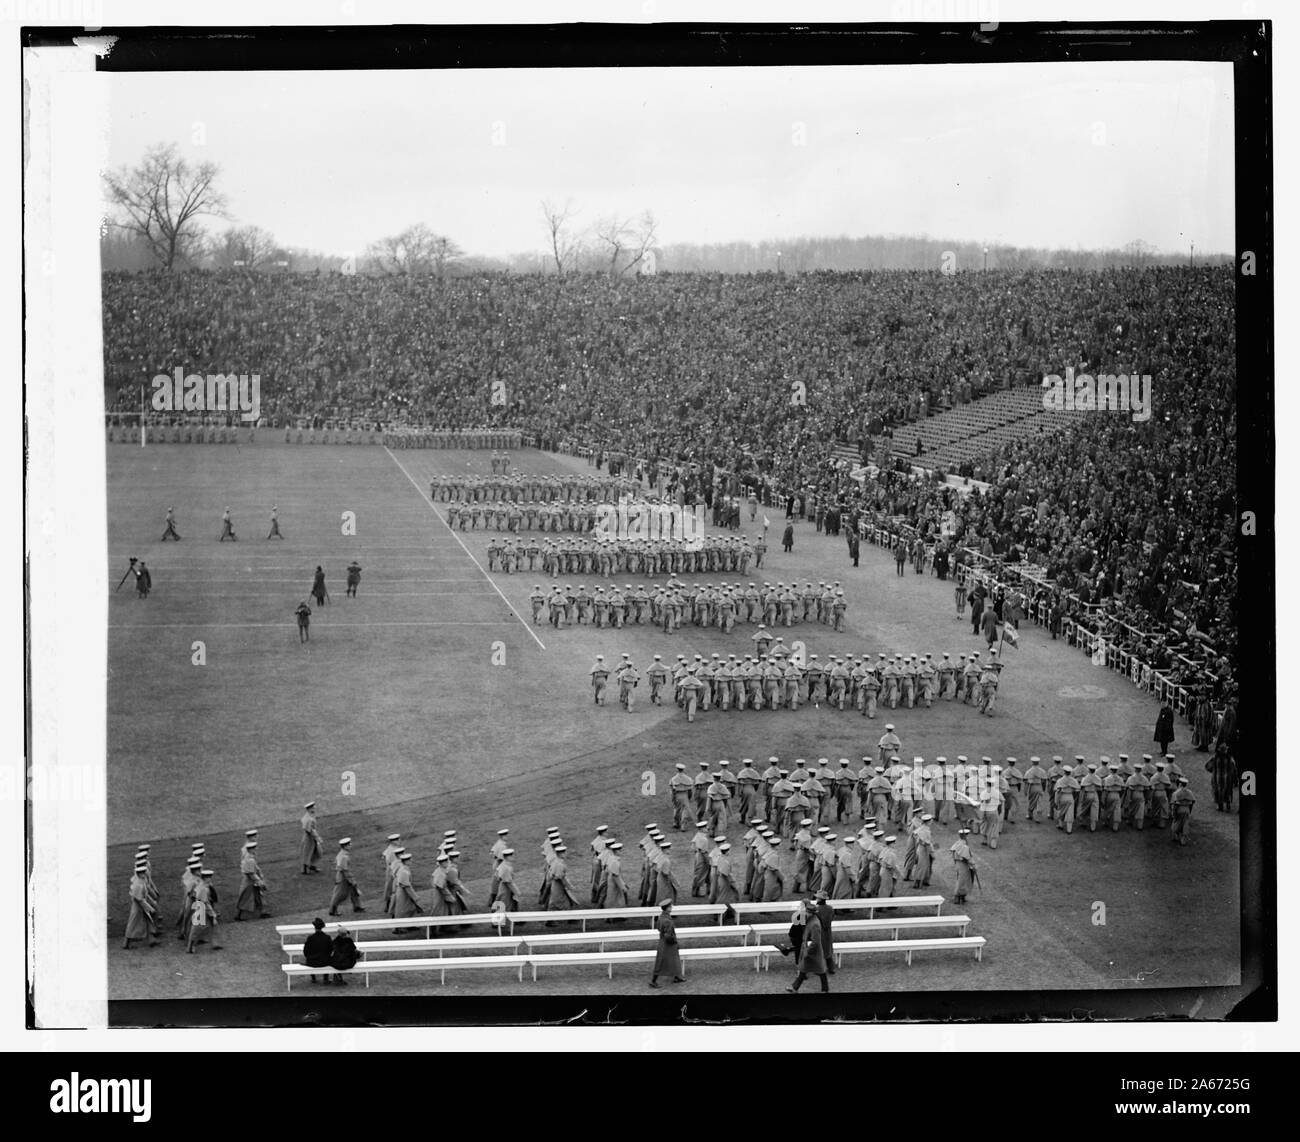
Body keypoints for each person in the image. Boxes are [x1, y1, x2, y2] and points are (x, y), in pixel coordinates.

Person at [787, 908, 830, 992]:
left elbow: (816, 941)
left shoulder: (814, 924)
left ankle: (825, 989)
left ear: (811, 913)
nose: (805, 913)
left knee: (820, 970)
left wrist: (807, 951)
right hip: (810, 950)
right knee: (804, 969)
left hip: (814, 951)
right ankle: (795, 987)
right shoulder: (811, 920)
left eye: (806, 912)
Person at [123, 860, 159, 950]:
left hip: (142, 906)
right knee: (132, 924)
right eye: (142, 873)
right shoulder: (138, 884)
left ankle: (151, 939)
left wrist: (151, 903)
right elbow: (140, 900)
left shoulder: (141, 881)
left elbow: (145, 895)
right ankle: (126, 943)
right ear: (138, 874)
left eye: (144, 872)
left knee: (148, 921)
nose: (144, 874)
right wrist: (150, 907)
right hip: (138, 908)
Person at [649, 900, 685, 988]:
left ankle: (676, 976)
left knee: (674, 960)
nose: (671, 907)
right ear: (667, 908)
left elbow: (658, 928)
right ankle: (653, 981)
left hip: (663, 942)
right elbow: (668, 935)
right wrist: (674, 942)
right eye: (670, 906)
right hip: (668, 944)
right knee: (662, 962)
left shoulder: (662, 917)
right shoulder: (667, 920)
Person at [328, 837, 365, 915]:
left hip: (344, 875)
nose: (350, 845)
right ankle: (332, 910)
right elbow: (345, 870)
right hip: (343, 877)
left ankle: (357, 907)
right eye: (349, 844)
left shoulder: (342, 854)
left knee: (354, 891)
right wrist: (351, 880)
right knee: (340, 894)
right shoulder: (344, 856)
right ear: (345, 846)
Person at [235, 841, 271, 919]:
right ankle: (239, 915)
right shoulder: (250, 860)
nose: (255, 850)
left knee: (257, 897)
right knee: (246, 898)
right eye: (254, 848)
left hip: (250, 881)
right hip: (250, 882)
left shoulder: (248, 857)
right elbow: (251, 874)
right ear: (250, 850)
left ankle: (263, 912)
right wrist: (259, 881)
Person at [302, 917, 334, 984]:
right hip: (324, 962)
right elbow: (331, 949)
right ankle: (325, 979)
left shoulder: (310, 938)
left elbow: (305, 951)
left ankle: (313, 978)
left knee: (309, 957)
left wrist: (309, 956)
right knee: (328, 958)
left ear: (314, 927)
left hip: (312, 962)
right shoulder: (327, 937)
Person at [299, 801, 323, 873]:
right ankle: (305, 869)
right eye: (313, 808)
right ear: (309, 809)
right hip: (309, 838)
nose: (314, 809)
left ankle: (312, 865)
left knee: (317, 852)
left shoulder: (308, 816)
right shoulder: (308, 819)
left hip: (309, 837)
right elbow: (310, 831)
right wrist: (317, 838)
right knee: (307, 852)